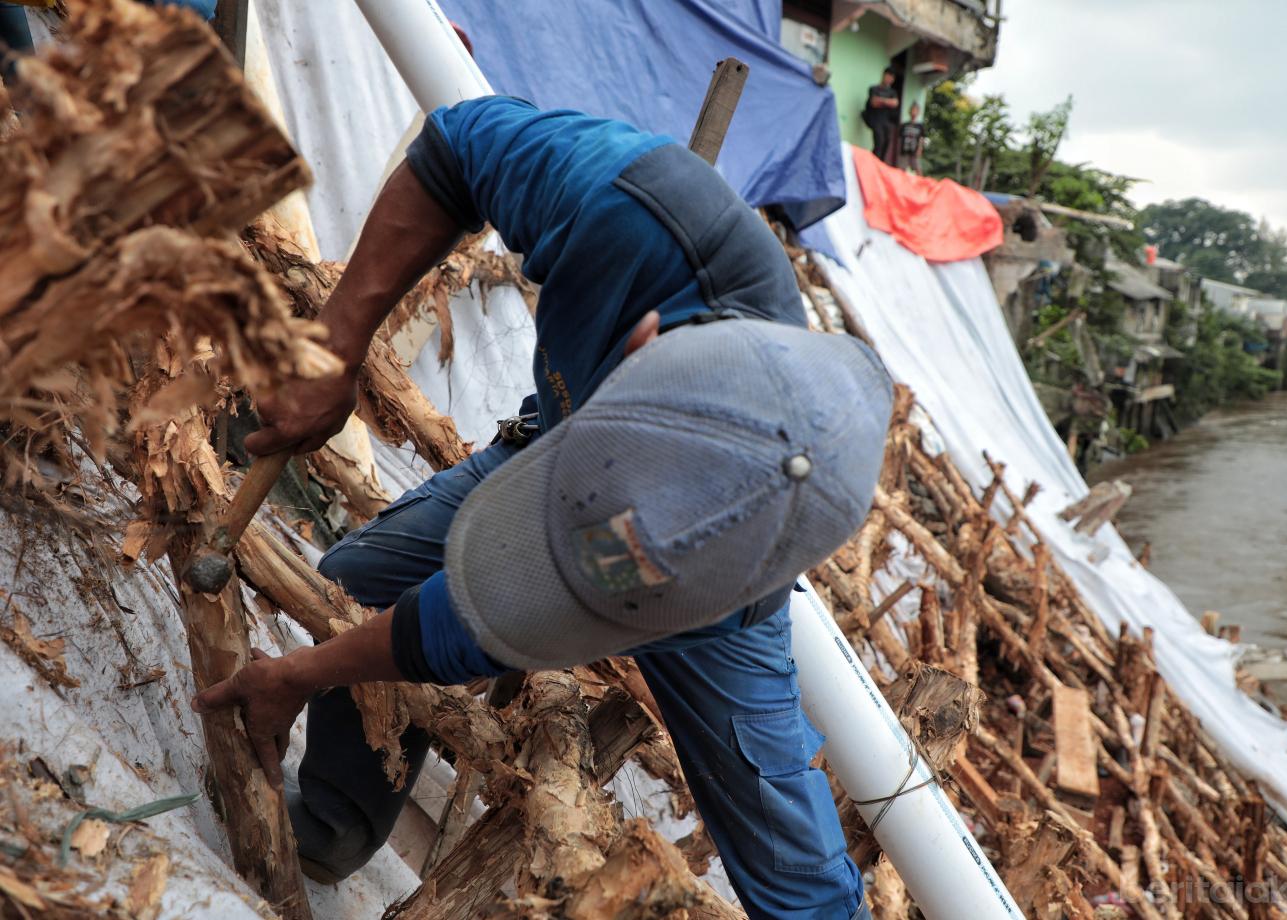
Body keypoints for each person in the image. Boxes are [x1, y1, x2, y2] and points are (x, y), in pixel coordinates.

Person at [192, 95, 894, 920]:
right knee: (361, 579)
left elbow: (460, 627)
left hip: (714, 585)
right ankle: (334, 832)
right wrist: (337, 350)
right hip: (575, 444)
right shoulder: (635, 211)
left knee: (799, 887)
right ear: (641, 342)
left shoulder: (721, 579)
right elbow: (453, 149)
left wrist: (301, 672)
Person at [863, 67, 900, 164]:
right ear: (884, 75)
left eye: (892, 77)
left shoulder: (893, 92)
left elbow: (895, 103)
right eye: (888, 76)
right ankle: (872, 164)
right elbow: (874, 102)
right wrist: (888, 102)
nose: (889, 79)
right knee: (879, 142)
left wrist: (881, 100)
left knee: (886, 142)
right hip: (875, 119)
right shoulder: (874, 88)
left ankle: (880, 165)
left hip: (886, 120)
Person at [899, 101, 925, 174]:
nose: (914, 112)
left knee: (918, 169)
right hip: (904, 151)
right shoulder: (904, 125)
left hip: (914, 151)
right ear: (909, 111)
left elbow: (921, 138)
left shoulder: (920, 126)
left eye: (916, 110)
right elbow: (900, 139)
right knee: (902, 169)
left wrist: (920, 149)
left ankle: (920, 185)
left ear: (918, 112)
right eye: (912, 110)